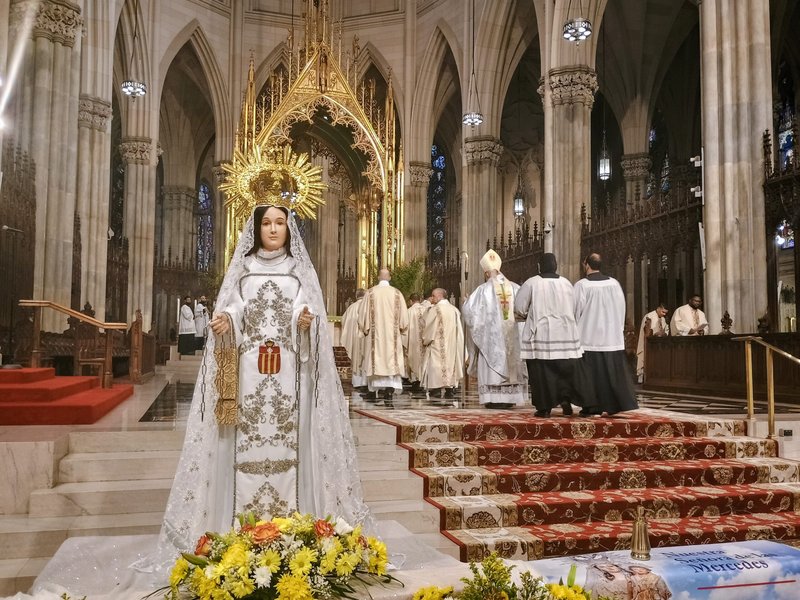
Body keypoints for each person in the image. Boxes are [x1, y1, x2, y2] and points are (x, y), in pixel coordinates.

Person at [145, 204, 372, 573]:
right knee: (242, 445)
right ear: (256, 228)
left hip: (289, 378)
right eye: (266, 223)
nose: (272, 229)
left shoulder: (299, 272)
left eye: (279, 223)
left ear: (288, 229)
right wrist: (225, 321)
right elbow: (235, 311)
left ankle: (294, 529)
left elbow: (309, 313)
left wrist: (305, 320)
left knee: (291, 446)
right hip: (249, 377)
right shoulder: (244, 271)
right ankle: (239, 533)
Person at [515, 253, 587, 418]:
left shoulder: (532, 283)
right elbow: (575, 307)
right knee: (564, 371)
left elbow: (519, 307)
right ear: (556, 266)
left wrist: (528, 314)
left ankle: (544, 407)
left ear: (539, 266)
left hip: (542, 335)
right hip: (565, 335)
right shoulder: (567, 283)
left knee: (542, 373)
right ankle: (565, 400)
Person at [573, 252, 637, 416]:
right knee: (609, 373)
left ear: (586, 264)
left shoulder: (582, 285)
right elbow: (621, 307)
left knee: (591, 375)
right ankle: (612, 405)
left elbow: (575, 311)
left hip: (588, 335)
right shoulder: (614, 284)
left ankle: (591, 406)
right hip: (610, 336)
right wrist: (616, 327)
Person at [462, 249, 527, 409]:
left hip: (492, 341)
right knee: (510, 359)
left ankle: (493, 398)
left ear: (486, 273)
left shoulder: (482, 290)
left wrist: (465, 303)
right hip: (513, 339)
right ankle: (511, 398)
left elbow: (471, 314)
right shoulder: (515, 288)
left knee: (492, 359)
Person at [358, 268, 409, 407]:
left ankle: (373, 392)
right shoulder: (397, 294)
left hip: (376, 337)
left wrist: (365, 328)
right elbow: (404, 319)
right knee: (391, 365)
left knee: (376, 361)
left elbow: (363, 316)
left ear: (378, 278)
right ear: (390, 278)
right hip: (392, 338)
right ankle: (389, 393)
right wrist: (402, 328)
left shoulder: (370, 293)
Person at [421, 287, 464, 403]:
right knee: (450, 366)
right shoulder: (454, 310)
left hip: (437, 345)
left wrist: (426, 340)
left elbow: (429, 328)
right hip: (452, 345)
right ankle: (450, 389)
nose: (432, 298)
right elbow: (459, 330)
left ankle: (436, 389)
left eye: (434, 296)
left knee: (436, 366)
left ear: (439, 296)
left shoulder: (436, 310)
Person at [341, 289, 367, 392]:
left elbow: (343, 321)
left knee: (355, 357)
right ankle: (365, 381)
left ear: (356, 296)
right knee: (364, 358)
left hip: (354, 338)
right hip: (364, 337)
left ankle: (357, 381)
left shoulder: (351, 308)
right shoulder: (367, 307)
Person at [636, 303, 669, 383]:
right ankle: (641, 376)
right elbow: (647, 331)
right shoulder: (649, 316)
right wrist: (655, 333)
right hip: (648, 342)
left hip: (658, 344)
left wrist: (665, 333)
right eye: (663, 312)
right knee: (644, 358)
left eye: (665, 313)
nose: (664, 314)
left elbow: (666, 328)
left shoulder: (663, 319)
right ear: (658, 308)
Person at [405, 292, 429, 397]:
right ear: (420, 299)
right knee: (424, 360)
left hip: (413, 341)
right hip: (425, 341)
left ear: (411, 301)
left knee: (413, 359)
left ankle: (415, 381)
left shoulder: (408, 312)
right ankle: (424, 381)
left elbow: (404, 328)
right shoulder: (427, 310)